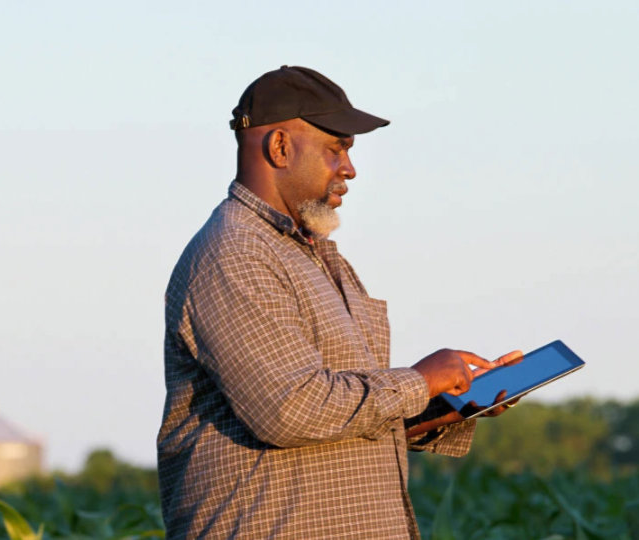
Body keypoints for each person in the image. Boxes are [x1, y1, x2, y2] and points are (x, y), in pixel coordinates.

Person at [157, 65, 521, 539]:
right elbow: (290, 409)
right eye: (336, 149)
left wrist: (446, 402)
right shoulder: (236, 252)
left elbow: (340, 418)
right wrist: (419, 380)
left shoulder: (316, 255)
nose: (349, 169)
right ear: (281, 147)